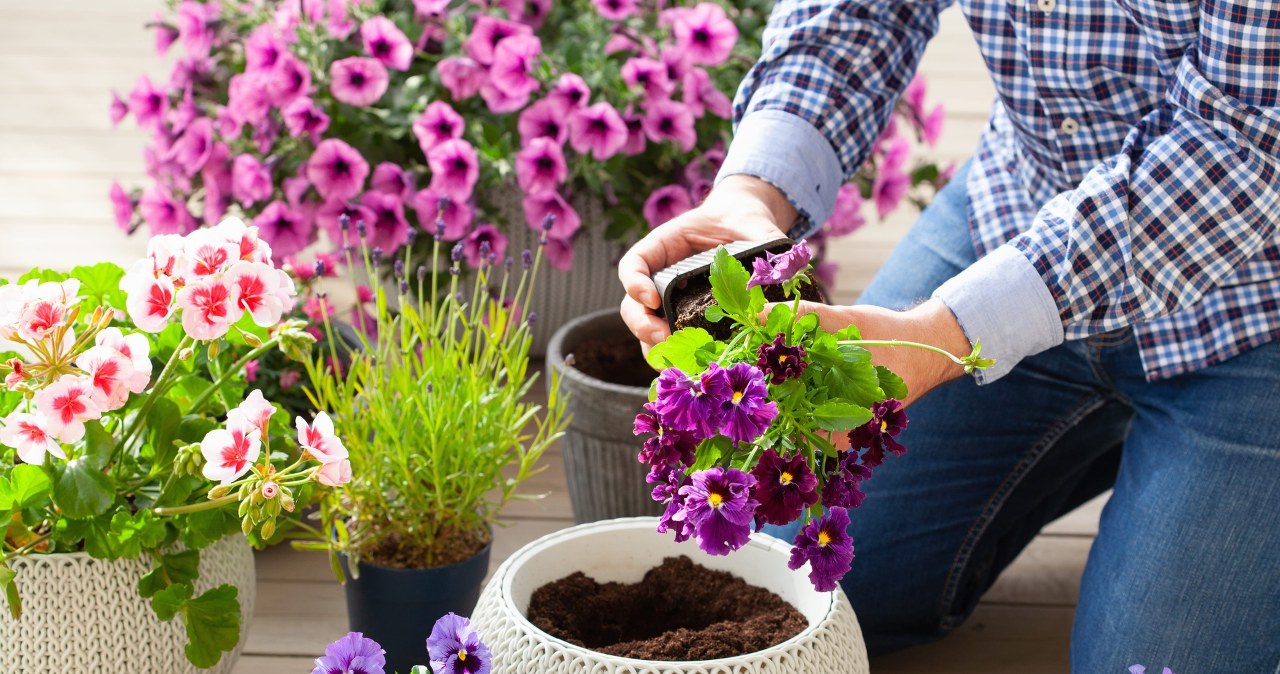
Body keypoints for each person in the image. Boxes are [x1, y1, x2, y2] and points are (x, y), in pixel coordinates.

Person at [618, 1, 1280, 671]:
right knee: (798, 587)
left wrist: (939, 336)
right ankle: (1117, 449)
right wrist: (754, 194)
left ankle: (1176, 468)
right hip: (1024, 208)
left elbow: (1245, 143)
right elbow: (856, 12)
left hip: (1255, 309)